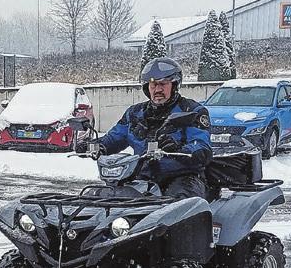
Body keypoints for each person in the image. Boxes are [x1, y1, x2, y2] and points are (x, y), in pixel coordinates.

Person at [90, 57, 212, 199]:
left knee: (179, 206)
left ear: (174, 85)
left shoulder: (192, 111)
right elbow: (115, 137)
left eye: (163, 84)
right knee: (104, 198)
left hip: (182, 177)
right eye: (153, 85)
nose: (157, 89)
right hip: (142, 177)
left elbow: (202, 147)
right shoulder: (135, 113)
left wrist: (179, 150)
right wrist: (97, 145)